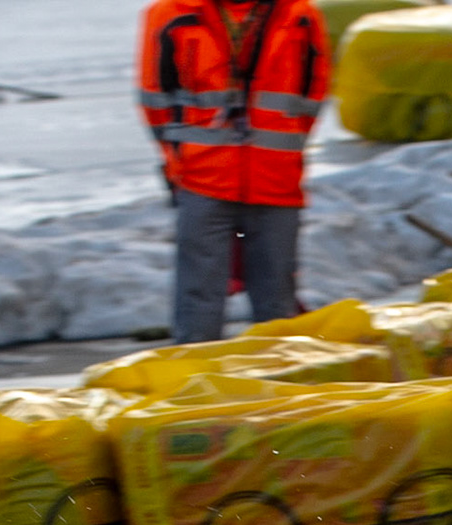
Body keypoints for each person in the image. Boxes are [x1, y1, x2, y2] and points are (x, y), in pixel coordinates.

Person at [138, 0, 330, 344]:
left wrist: (284, 149)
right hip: (203, 179)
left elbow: (312, 92)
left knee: (277, 302)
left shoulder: (299, 15)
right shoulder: (171, 14)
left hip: (275, 181)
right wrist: (181, 159)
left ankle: (283, 388)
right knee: (199, 297)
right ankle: (195, 388)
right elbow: (155, 98)